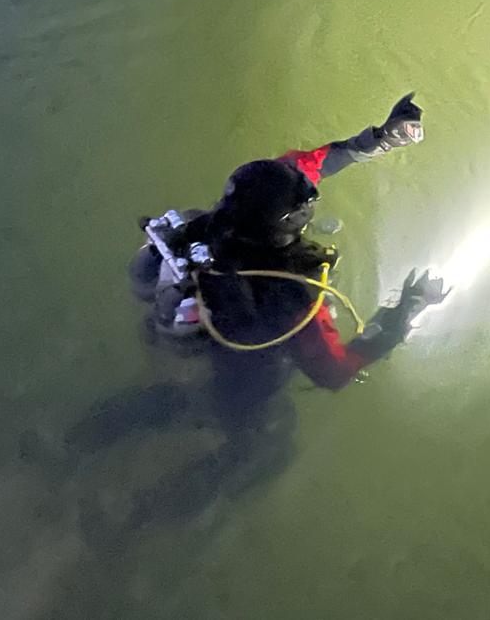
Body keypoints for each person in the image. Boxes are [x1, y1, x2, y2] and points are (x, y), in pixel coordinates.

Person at [65, 93, 447, 544]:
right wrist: (405, 311)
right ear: (289, 225)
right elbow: (334, 370)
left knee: (172, 400)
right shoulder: (291, 297)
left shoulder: (223, 221)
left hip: (180, 340)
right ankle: (134, 519)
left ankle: (70, 447)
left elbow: (308, 165)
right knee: (261, 450)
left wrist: (381, 139)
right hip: (240, 377)